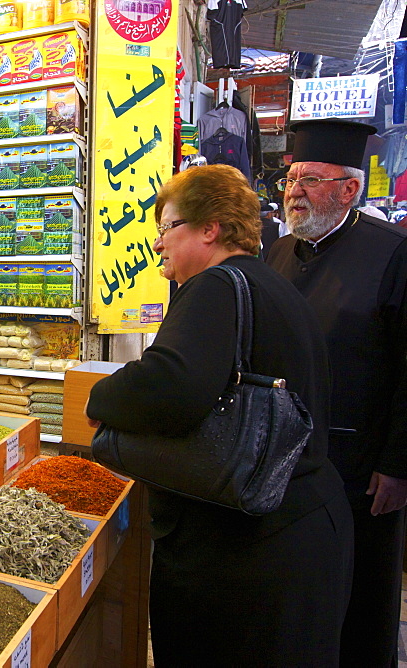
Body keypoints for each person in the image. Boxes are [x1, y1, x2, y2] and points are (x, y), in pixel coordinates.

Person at [86, 164, 354, 665]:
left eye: (167, 228)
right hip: (304, 532)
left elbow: (169, 385)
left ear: (210, 228)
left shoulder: (215, 287)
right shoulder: (272, 287)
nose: (158, 243)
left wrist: (99, 398)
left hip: (249, 556)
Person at [267, 118, 407, 668]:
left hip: (361, 471)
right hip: (288, 463)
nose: (294, 189)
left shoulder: (393, 254)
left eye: (311, 178)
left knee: (361, 601)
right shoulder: (277, 253)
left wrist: (397, 465)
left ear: (349, 189)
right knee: (299, 597)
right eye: (292, 176)